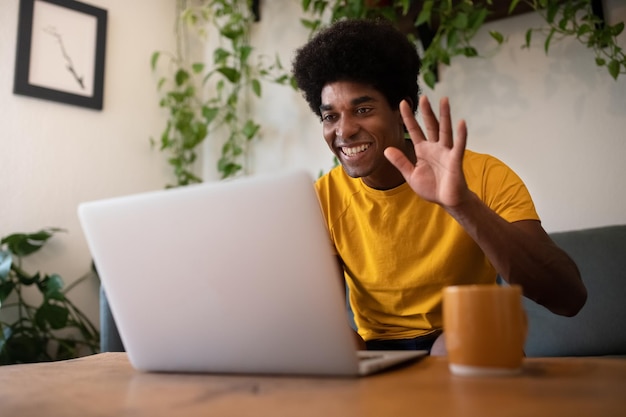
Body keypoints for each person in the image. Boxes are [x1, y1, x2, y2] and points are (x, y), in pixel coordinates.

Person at [291, 18, 587, 354]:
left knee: (453, 345)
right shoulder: (323, 198)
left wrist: (462, 204)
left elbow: (568, 297)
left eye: (363, 109)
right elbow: (319, 315)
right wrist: (355, 360)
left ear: (402, 112)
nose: (344, 131)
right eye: (330, 116)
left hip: (469, 339)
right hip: (379, 352)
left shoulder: (482, 174)